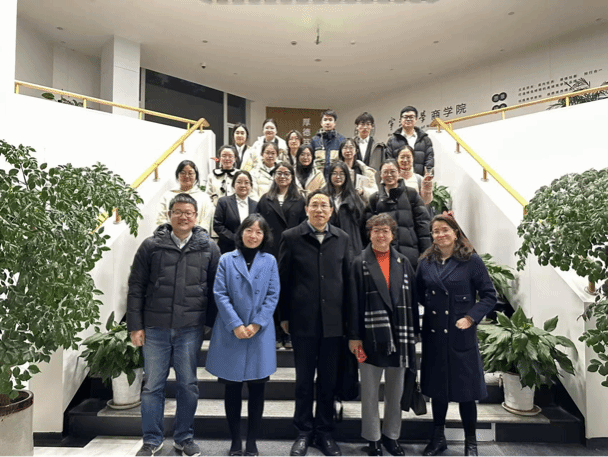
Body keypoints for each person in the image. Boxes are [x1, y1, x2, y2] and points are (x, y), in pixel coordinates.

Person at [127, 193, 220, 457]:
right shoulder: (151, 246)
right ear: (170, 215)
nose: (183, 217)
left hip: (190, 328)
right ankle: (151, 439)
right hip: (155, 327)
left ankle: (184, 437)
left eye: (188, 212)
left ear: (196, 216)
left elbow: (216, 288)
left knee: (188, 384)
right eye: (178, 212)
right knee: (152, 386)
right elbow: (136, 286)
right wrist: (135, 325)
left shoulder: (209, 248)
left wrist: (210, 325)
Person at [278, 189, 353, 457]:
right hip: (303, 321)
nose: (319, 209)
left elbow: (348, 281)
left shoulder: (342, 238)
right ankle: (303, 431)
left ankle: (324, 431)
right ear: (306, 209)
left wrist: (349, 321)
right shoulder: (291, 237)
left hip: (334, 322)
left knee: (328, 380)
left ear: (331, 211)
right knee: (303, 380)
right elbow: (283, 280)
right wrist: (284, 316)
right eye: (314, 205)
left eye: (324, 205)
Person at [416, 214, 497, 457]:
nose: (440, 235)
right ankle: (438, 438)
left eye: (445, 230)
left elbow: (489, 296)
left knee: (466, 393)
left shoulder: (471, 260)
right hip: (434, 335)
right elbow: (419, 294)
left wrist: (470, 317)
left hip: (461, 335)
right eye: (436, 231)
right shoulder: (425, 262)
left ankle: (471, 442)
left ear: (455, 233)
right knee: (437, 391)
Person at [206, 214, 280, 457]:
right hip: (231, 332)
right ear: (241, 233)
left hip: (259, 333)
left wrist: (257, 324)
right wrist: (236, 324)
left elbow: (273, 295)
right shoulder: (227, 259)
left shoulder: (270, 260)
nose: (253, 236)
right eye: (249, 230)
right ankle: (236, 441)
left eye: (259, 232)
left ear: (264, 236)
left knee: (258, 390)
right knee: (232, 389)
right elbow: (220, 293)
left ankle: (252, 442)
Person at [348, 214, 418, 457]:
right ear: (369, 234)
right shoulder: (359, 262)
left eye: (385, 231)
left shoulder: (403, 262)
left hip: (400, 336)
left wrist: (414, 334)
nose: (381, 235)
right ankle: (373, 439)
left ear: (392, 234)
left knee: (395, 392)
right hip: (370, 336)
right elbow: (353, 302)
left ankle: (391, 436)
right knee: (369, 393)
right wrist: (354, 336)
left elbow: (412, 300)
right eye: (376, 230)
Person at [256, 162, 306, 349]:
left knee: (290, 292)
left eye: (286, 173)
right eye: (279, 173)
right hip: (270, 250)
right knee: (271, 293)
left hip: (293, 251)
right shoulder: (265, 199)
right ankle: (276, 332)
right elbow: (257, 225)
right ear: (274, 176)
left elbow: (304, 226)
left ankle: (289, 333)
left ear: (292, 177)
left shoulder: (300, 200)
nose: (283, 176)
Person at [365, 160, 431, 271]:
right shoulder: (374, 199)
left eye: (393, 171)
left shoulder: (411, 194)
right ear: (380, 174)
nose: (389, 175)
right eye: (385, 172)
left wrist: (426, 252)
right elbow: (368, 229)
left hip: (411, 254)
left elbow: (423, 224)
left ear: (399, 172)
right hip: (383, 254)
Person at [157, 160, 215, 234]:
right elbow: (161, 220)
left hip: (197, 238)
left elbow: (205, 222)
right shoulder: (167, 196)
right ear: (177, 175)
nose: (186, 176)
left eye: (190, 173)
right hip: (170, 237)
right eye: (183, 173)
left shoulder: (204, 198)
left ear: (196, 176)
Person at [324, 161, 365, 255]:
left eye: (341, 174)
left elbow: (362, 224)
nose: (338, 177)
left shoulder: (355, 198)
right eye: (334, 173)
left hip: (351, 247)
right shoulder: (323, 196)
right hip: (328, 246)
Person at [213, 170, 258, 254]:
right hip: (227, 249)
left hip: (250, 249)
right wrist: (236, 239)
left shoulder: (256, 205)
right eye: (239, 182)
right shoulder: (223, 202)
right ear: (233, 185)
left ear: (251, 186)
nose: (243, 185)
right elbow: (217, 225)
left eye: (246, 182)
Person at [386, 106, 434, 176]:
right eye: (405, 117)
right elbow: (389, 161)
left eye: (411, 117)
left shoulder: (425, 139)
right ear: (400, 119)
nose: (408, 119)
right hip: (399, 179)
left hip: (420, 179)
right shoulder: (392, 140)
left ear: (416, 119)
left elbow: (429, 160)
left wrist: (428, 175)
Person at [311, 109, 346, 180]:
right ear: (321, 123)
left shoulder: (342, 139)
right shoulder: (315, 140)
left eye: (330, 120)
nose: (327, 122)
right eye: (325, 120)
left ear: (334, 123)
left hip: (336, 179)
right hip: (319, 178)